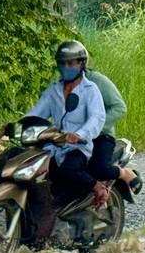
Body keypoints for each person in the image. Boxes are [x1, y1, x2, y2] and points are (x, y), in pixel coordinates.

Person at [20, 40, 106, 242]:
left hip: (78, 147)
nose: (66, 68)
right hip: (52, 147)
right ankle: (40, 218)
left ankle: (96, 187)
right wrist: (17, 126)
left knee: (69, 170)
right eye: (63, 64)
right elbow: (36, 113)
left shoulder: (90, 90)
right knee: (31, 172)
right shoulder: (53, 90)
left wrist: (80, 134)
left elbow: (97, 118)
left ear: (81, 64)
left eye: (71, 63)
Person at [84, 64, 142, 202]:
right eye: (63, 63)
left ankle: (125, 174)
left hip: (101, 136)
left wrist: (94, 127)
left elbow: (119, 107)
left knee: (100, 169)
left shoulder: (97, 80)